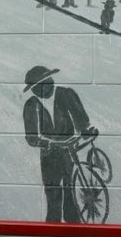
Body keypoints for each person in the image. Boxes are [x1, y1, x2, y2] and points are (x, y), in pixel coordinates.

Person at [23, 65, 97, 223]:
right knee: (53, 197)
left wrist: (85, 130)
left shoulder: (66, 94)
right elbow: (31, 136)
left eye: (46, 82)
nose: (43, 87)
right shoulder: (32, 105)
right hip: (49, 156)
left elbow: (81, 119)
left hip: (69, 151)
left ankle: (74, 227)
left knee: (71, 194)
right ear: (34, 89)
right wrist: (45, 143)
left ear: (51, 80)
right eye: (38, 86)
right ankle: (53, 229)